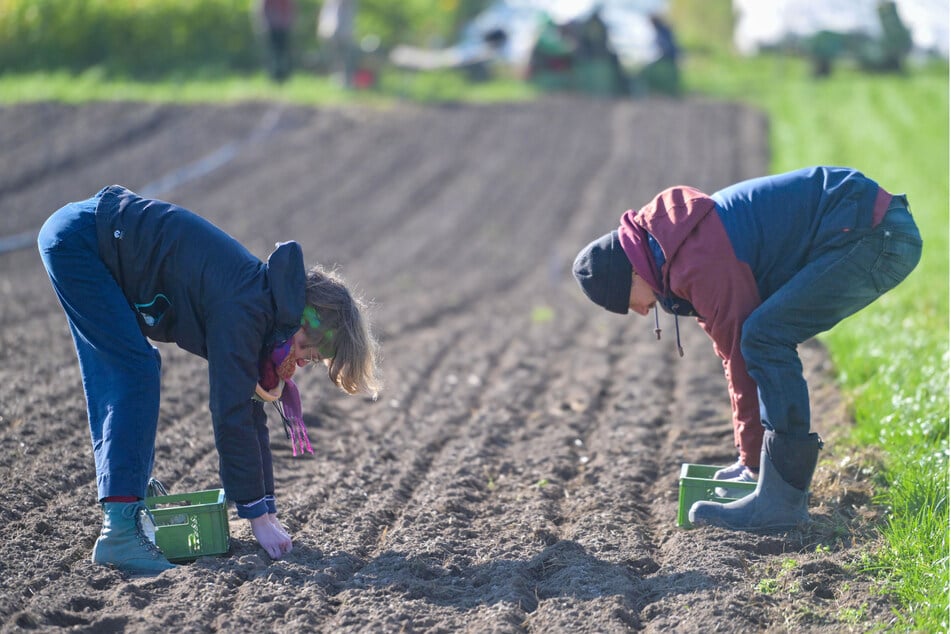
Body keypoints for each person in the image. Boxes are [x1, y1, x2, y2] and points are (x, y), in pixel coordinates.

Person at [38, 185, 380, 573]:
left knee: (130, 366)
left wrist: (265, 509)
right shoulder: (246, 309)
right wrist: (255, 518)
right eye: (307, 351)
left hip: (90, 237)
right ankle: (119, 529)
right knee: (133, 369)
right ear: (304, 319)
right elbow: (230, 412)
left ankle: (130, 499)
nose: (300, 364)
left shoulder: (264, 307)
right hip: (84, 243)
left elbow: (251, 413)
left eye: (311, 362)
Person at [572, 167, 921, 531]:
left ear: (632, 273)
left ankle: (781, 501)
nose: (640, 311)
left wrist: (754, 461)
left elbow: (742, 353)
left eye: (626, 303)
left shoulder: (697, 260)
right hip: (870, 228)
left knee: (765, 336)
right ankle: (776, 485)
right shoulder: (679, 248)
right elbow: (732, 356)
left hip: (875, 235)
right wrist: (748, 459)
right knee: (761, 335)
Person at [257, 0, 296, 82]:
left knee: (283, 52)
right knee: (273, 52)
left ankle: (283, 75)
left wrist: (289, 23)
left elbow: (290, 9)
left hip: (283, 27)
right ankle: (272, 75)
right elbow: (263, 10)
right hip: (272, 28)